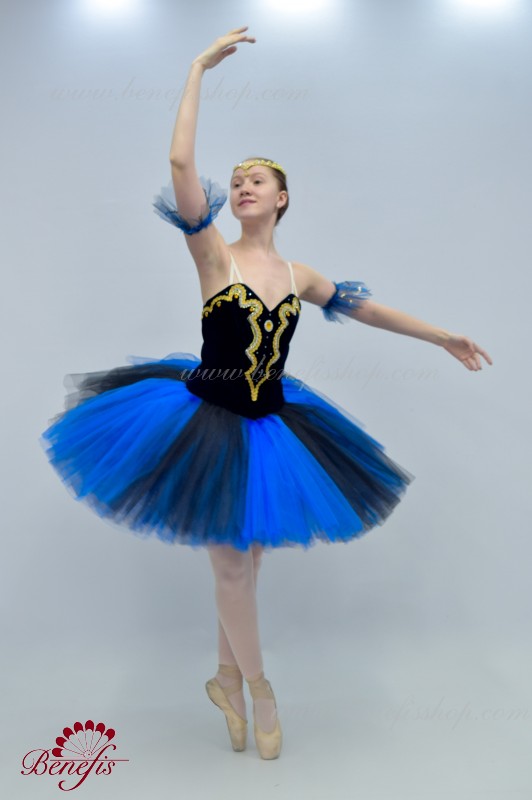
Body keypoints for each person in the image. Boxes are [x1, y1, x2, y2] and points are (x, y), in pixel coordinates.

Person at [39, 26, 492, 761]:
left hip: (273, 425)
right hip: (203, 419)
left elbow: (367, 309)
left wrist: (441, 336)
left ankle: (224, 678)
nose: (243, 185)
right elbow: (179, 162)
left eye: (257, 179)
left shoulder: (299, 275)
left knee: (246, 563)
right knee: (229, 565)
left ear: (281, 199)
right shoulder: (212, 255)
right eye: (237, 179)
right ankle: (261, 688)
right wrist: (197, 68)